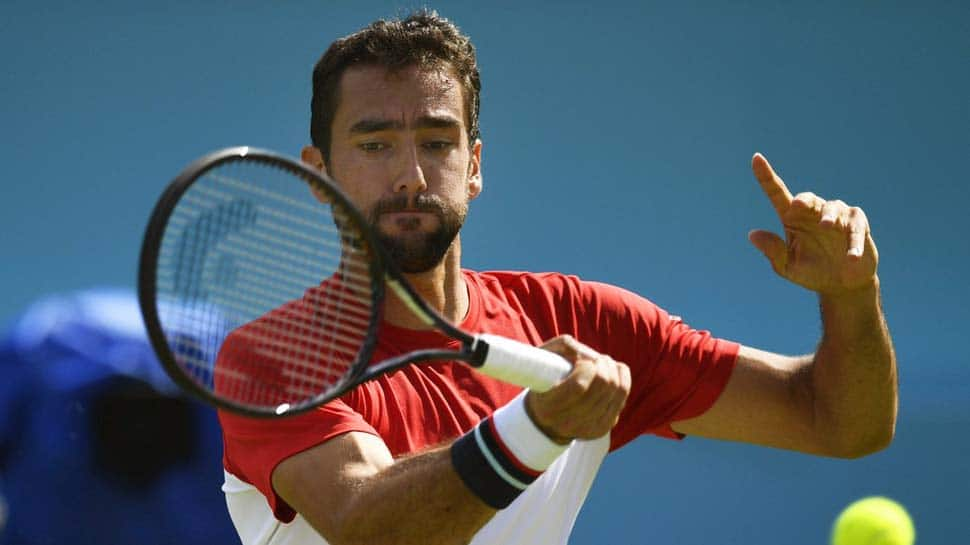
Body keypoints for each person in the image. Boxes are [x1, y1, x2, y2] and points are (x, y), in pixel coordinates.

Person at [217, 11, 898, 545]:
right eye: (374, 145)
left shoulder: (585, 322)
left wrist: (850, 296)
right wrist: (533, 427)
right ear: (318, 171)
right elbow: (372, 526)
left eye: (436, 140)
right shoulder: (270, 360)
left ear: (474, 164)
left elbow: (838, 420)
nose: (411, 176)